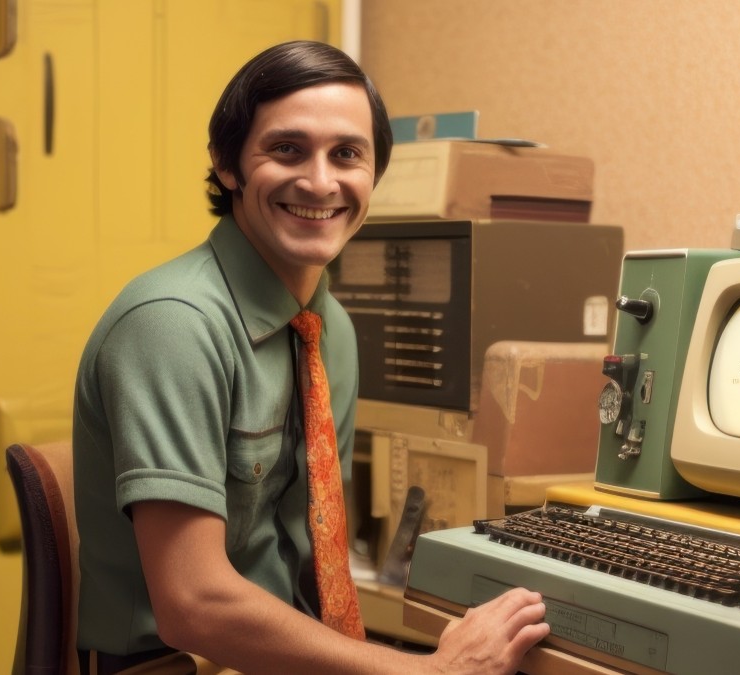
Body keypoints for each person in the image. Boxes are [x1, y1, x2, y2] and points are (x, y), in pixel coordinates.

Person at [70, 41, 550, 675]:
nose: (321, 182)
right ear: (227, 165)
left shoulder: (328, 329)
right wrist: (427, 671)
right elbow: (192, 604)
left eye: (347, 154)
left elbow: (306, 555)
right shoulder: (173, 325)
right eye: (287, 149)